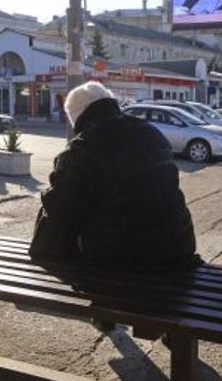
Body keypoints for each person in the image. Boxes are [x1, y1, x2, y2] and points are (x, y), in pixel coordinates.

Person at [29, 80, 200, 271]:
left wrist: (41, 250)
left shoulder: (81, 150)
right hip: (182, 250)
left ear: (75, 118)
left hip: (129, 266)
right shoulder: (150, 131)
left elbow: (55, 224)